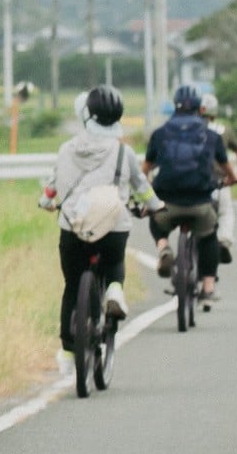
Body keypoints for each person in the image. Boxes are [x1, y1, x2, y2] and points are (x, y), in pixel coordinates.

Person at [39, 85, 159, 358]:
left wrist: (46, 202)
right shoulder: (122, 152)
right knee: (114, 263)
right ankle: (114, 291)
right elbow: (142, 188)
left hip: (73, 226)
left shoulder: (66, 149)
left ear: (87, 114)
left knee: (72, 284)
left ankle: (70, 351)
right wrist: (155, 206)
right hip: (112, 225)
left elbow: (52, 187)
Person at [143, 83, 229, 302]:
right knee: (209, 235)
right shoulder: (210, 135)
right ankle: (208, 286)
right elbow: (226, 169)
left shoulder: (160, 134)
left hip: (167, 203)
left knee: (155, 221)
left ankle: (163, 248)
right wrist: (232, 179)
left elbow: (145, 169)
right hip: (200, 203)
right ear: (200, 107)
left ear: (175, 106)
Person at [199, 92, 237, 263]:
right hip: (219, 182)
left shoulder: (189, 130)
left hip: (194, 181)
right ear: (214, 112)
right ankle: (224, 240)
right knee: (225, 213)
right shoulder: (224, 130)